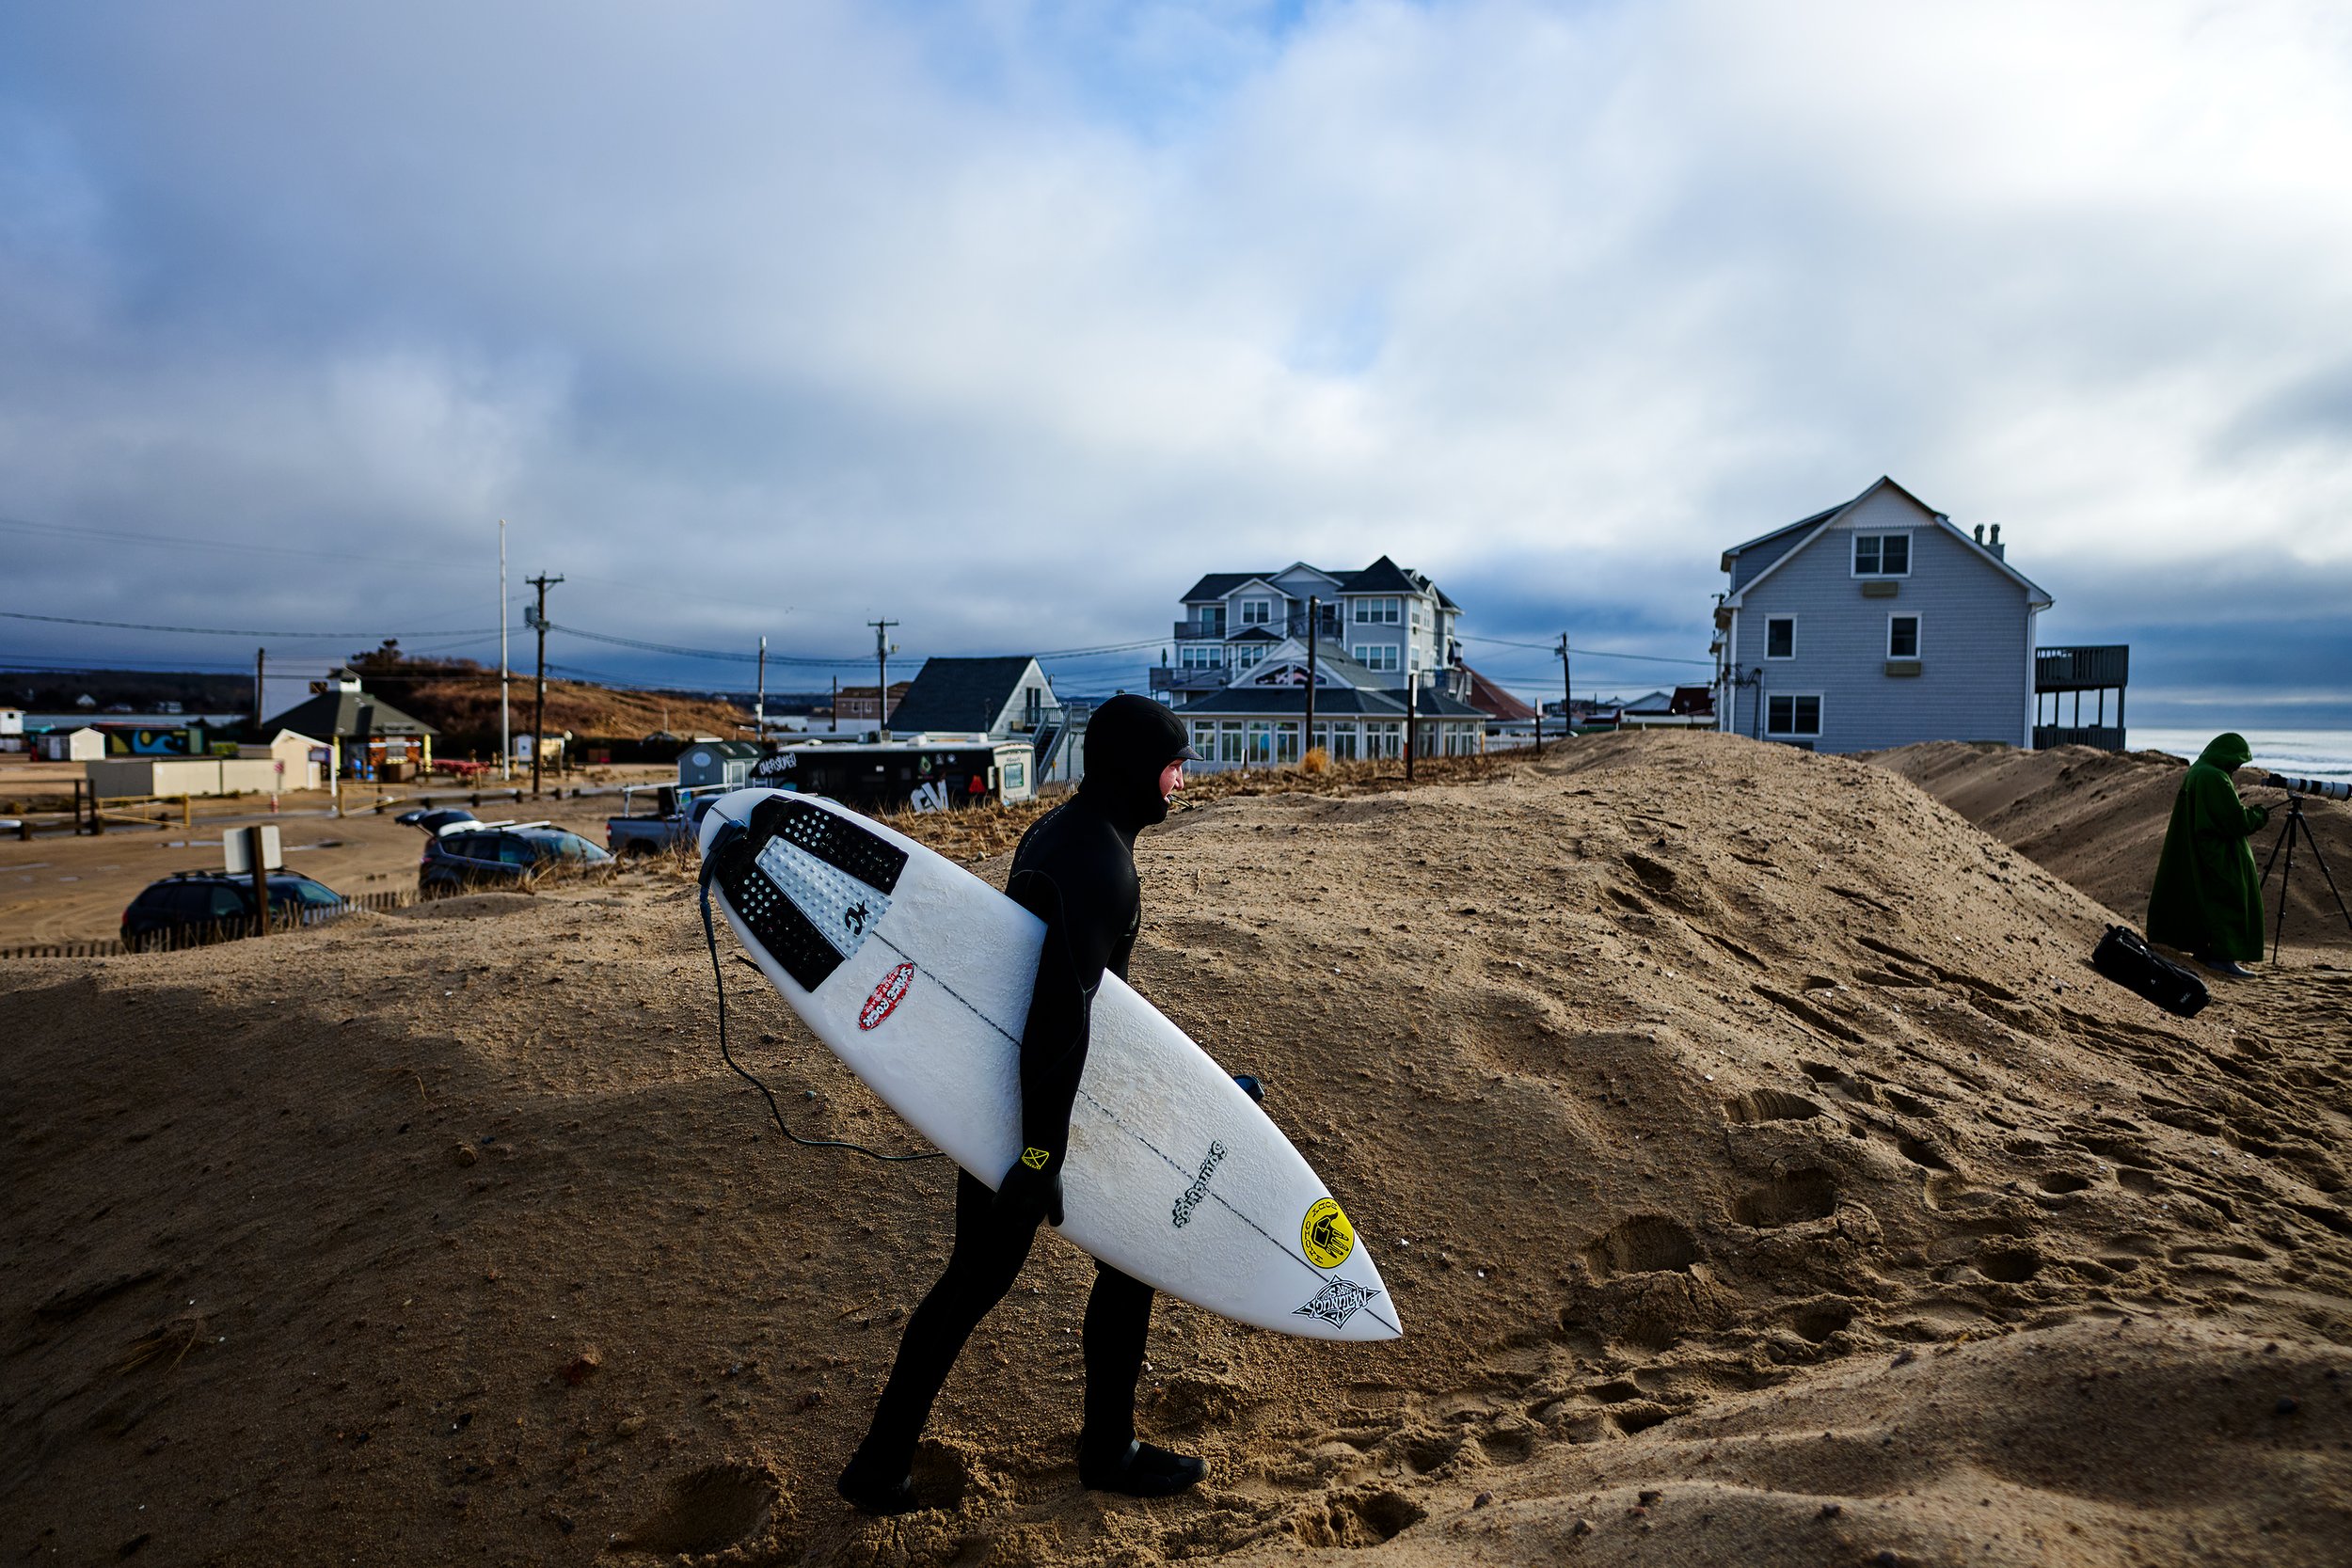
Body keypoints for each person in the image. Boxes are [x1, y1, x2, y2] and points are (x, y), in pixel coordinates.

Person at [837, 695, 1208, 1514]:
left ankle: (882, 1459)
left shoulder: (1062, 832)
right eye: (1173, 762)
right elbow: (1056, 1011)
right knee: (1048, 1267)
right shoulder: (1100, 864)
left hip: (1017, 1093)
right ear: (1132, 768)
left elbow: (1078, 1007)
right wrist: (1041, 1153)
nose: (1183, 777)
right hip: (1040, 1104)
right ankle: (1106, 1452)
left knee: (984, 1276)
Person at [2146, 732, 2271, 978]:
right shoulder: (2215, 777)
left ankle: (2207, 951)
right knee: (2229, 900)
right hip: (2217, 853)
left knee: (2205, 901)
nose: (2237, 767)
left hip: (2200, 849)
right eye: (2236, 761)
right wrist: (2259, 815)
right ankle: (2223, 958)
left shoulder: (2198, 771)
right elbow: (2235, 821)